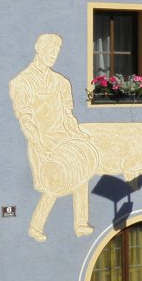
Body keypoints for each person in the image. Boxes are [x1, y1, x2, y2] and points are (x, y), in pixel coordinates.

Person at [9, 34, 98, 241]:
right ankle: (35, 227)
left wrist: (78, 135)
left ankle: (81, 223)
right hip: (42, 140)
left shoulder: (61, 82)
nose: (53, 56)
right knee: (53, 185)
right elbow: (26, 120)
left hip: (64, 138)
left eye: (56, 52)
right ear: (38, 49)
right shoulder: (21, 82)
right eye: (49, 51)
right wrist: (40, 145)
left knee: (81, 174)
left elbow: (68, 116)